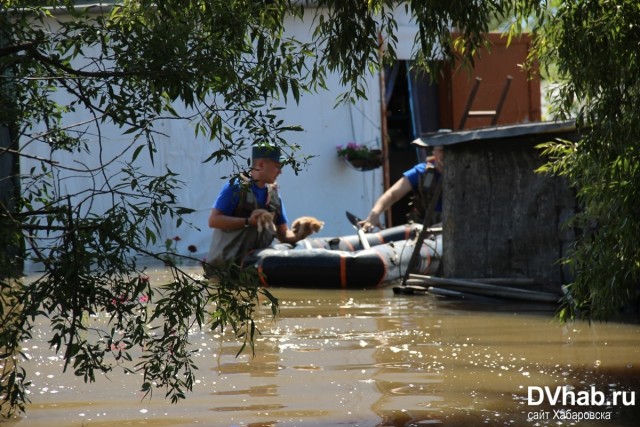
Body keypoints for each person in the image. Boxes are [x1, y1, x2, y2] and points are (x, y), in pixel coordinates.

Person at [204, 145, 314, 275]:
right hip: (224, 270)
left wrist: (301, 233)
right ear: (261, 164)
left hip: (253, 271)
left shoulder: (274, 195)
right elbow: (213, 221)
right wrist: (248, 221)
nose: (280, 172)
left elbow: (283, 235)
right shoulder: (236, 187)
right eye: (277, 166)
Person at [359, 141, 444, 232]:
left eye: (448, 150)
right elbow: (392, 194)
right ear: (434, 152)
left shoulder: (460, 174)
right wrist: (374, 214)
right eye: (441, 150)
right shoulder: (424, 173)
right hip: (424, 231)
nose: (445, 154)